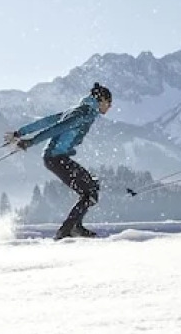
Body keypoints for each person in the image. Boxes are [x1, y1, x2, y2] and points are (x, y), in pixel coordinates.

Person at [6, 82, 112, 239]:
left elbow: (47, 121)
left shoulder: (78, 110)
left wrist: (20, 132)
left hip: (56, 158)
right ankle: (68, 230)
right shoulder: (83, 114)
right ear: (101, 99)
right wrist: (30, 141)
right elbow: (57, 128)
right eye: (109, 103)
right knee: (90, 192)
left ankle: (74, 227)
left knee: (91, 188)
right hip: (56, 159)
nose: (109, 107)